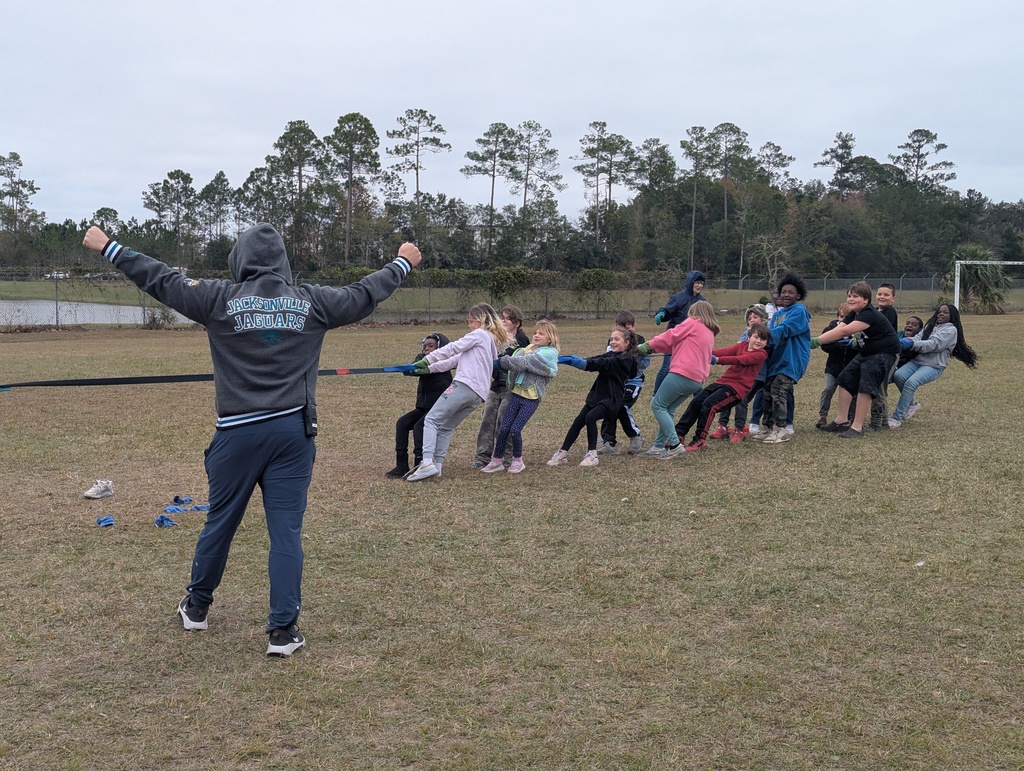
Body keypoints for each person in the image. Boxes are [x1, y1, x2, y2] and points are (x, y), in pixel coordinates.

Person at [82, 223, 421, 657]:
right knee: (286, 532)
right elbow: (364, 292)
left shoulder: (218, 298)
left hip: (236, 434)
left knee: (220, 522)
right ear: (282, 260)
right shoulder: (311, 301)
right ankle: (282, 632)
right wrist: (401, 263)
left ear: (239, 258)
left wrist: (110, 246)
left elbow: (161, 279)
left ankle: (198, 607)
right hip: (292, 436)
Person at [406, 303, 512, 482]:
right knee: (445, 427)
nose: (469, 326)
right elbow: (453, 361)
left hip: (464, 386)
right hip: (478, 395)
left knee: (431, 420)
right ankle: (437, 467)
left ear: (480, 321)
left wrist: (427, 359)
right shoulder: (490, 344)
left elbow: (452, 348)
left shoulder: (478, 335)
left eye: (471, 322)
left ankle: (426, 463)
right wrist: (428, 369)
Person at [812, 281, 900, 438]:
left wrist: (817, 341)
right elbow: (838, 328)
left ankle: (857, 427)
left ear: (866, 300)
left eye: (855, 296)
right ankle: (841, 421)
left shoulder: (868, 313)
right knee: (845, 379)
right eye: (849, 296)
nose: (850, 299)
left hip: (884, 353)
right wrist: (818, 339)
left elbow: (844, 331)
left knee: (866, 384)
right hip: (867, 352)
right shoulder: (854, 314)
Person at [638, 300, 719, 458]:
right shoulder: (708, 331)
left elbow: (671, 335)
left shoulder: (693, 323)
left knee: (657, 405)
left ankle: (675, 444)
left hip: (683, 373)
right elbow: (673, 343)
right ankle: (658, 446)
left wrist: (647, 346)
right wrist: (653, 348)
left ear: (694, 312)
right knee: (668, 408)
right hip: (696, 380)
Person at [548, 327, 639, 468]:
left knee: (590, 417)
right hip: (597, 396)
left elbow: (601, 364)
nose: (612, 342)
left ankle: (592, 454)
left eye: (617, 339)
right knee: (578, 421)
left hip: (611, 400)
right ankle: (562, 453)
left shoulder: (625, 359)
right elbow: (597, 359)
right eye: (611, 339)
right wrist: (575, 360)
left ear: (626, 342)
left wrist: (581, 363)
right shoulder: (611, 355)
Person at [673, 323, 770, 452]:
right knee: (697, 401)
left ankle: (700, 440)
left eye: (762, 339)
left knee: (709, 405)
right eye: (756, 337)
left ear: (766, 342)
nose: (758, 341)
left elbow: (740, 360)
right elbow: (724, 351)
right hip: (723, 382)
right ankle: (678, 434)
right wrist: (702, 353)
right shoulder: (742, 345)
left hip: (736, 389)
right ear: (749, 337)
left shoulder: (761, 355)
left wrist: (717, 360)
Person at [480, 321, 560, 474]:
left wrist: (500, 363)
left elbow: (525, 362)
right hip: (517, 395)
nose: (536, 335)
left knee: (515, 429)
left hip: (530, 400)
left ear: (550, 339)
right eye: (536, 332)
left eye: (541, 333)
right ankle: (497, 461)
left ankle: (518, 460)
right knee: (504, 429)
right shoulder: (527, 349)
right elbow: (518, 358)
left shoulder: (548, 353)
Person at [888, 303, 977, 428]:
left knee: (911, 383)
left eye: (945, 312)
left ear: (952, 315)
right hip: (917, 361)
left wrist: (911, 344)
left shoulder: (951, 330)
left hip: (933, 366)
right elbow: (918, 337)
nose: (941, 314)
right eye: (940, 311)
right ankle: (912, 404)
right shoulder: (930, 326)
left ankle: (896, 418)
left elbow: (934, 344)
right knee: (898, 375)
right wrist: (909, 340)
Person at [754, 272, 811, 444]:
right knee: (767, 391)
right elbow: (772, 338)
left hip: (791, 360)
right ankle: (768, 427)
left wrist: (762, 336)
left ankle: (782, 428)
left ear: (798, 295)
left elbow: (785, 329)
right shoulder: (778, 315)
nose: (786, 295)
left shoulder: (799, 311)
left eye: (790, 292)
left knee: (779, 390)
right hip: (776, 361)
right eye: (783, 292)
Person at [385, 333, 452, 478]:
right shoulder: (422, 360)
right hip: (423, 407)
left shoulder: (443, 363)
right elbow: (414, 369)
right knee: (402, 423)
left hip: (437, 409)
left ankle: (420, 464)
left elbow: (430, 366)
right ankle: (401, 464)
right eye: (424, 346)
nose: (426, 349)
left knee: (419, 427)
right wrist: (407, 368)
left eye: (431, 346)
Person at [472, 305, 529, 469]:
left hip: (511, 387)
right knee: (487, 420)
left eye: (506, 318)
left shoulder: (522, 341)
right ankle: (482, 456)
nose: (502, 321)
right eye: (501, 318)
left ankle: (506, 457)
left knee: (504, 421)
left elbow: (514, 363)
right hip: (495, 386)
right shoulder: (495, 338)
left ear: (516, 323)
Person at [709, 303, 768, 442]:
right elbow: (732, 350)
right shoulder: (746, 334)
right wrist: (706, 352)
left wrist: (717, 360)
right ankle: (722, 426)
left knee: (741, 400)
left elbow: (741, 358)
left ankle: (739, 429)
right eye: (749, 318)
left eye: (755, 317)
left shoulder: (765, 335)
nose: (752, 320)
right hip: (737, 376)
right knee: (726, 396)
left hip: (755, 376)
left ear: (764, 318)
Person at [599, 311, 650, 456]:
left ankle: (635, 436)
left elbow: (645, 363)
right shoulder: (613, 342)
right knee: (609, 406)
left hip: (633, 382)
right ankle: (610, 443)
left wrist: (636, 357)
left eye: (629, 328)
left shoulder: (640, 340)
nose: (625, 331)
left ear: (634, 326)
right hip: (616, 382)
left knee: (621, 405)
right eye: (622, 328)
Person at [652, 270, 706, 393]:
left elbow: (706, 317)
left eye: (702, 283)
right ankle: (656, 393)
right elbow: (667, 310)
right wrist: (661, 314)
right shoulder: (678, 298)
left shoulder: (702, 302)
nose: (700, 286)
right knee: (667, 368)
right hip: (674, 338)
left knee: (694, 368)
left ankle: (698, 396)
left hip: (691, 341)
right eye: (697, 282)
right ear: (690, 283)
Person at [816, 302, 856, 428]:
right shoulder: (831, 329)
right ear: (838, 316)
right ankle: (823, 416)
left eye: (849, 318)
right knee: (828, 389)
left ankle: (850, 417)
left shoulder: (857, 331)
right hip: (833, 367)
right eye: (843, 317)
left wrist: (853, 345)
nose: (845, 320)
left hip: (850, 368)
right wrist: (838, 345)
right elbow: (824, 345)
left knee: (852, 393)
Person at [868, 283, 900, 431]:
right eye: (879, 294)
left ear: (893, 299)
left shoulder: (889, 312)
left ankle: (877, 422)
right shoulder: (874, 310)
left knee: (879, 388)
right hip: (878, 353)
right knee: (880, 388)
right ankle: (883, 422)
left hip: (888, 354)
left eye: (886, 295)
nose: (882, 297)